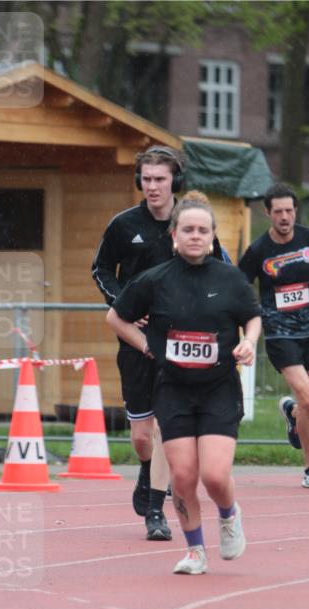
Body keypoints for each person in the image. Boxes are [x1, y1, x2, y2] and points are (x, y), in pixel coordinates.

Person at [106, 192, 261, 575]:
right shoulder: (154, 281)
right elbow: (116, 318)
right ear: (174, 235)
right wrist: (146, 347)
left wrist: (248, 342)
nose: (195, 236)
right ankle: (195, 551)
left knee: (213, 474)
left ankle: (228, 514)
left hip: (218, 389)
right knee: (183, 477)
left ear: (212, 236)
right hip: (173, 389)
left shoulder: (229, 278)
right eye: (188, 229)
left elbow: (253, 316)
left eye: (203, 230)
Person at [239, 183, 309, 489]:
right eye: (278, 211)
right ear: (267, 213)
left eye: (289, 211)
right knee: (307, 400)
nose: (284, 217)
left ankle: (290, 412)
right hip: (281, 334)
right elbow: (240, 289)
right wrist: (250, 320)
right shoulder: (257, 251)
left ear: (296, 212)